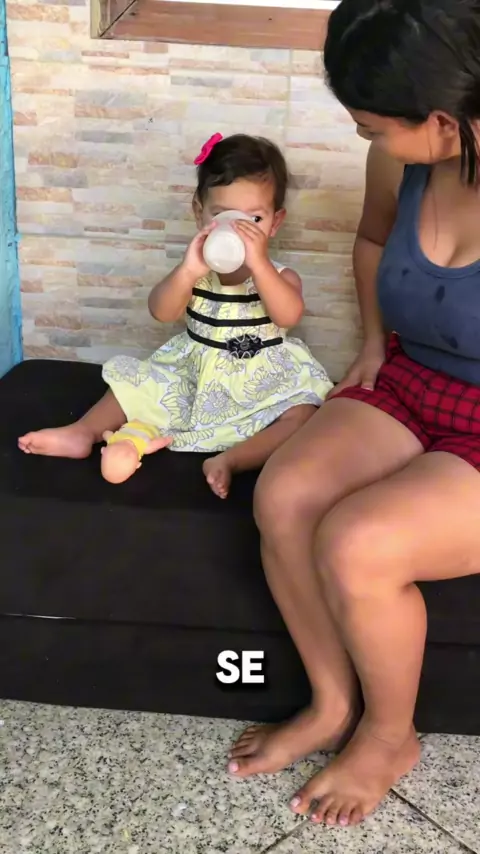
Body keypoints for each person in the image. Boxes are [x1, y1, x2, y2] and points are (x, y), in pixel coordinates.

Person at [228, 0, 480, 827]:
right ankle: (332, 705)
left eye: (373, 126)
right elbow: (373, 241)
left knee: (358, 541)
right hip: (414, 380)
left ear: (442, 120)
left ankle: (388, 735)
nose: (362, 137)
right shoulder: (400, 165)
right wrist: (373, 341)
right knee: (285, 495)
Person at [18, 134, 332, 496]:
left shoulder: (279, 276)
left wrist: (259, 264)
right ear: (200, 213)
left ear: (275, 223)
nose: (238, 231)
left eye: (254, 219)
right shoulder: (195, 272)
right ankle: (83, 432)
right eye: (223, 216)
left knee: (304, 414)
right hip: (195, 374)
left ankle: (232, 459)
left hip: (261, 379)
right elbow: (161, 311)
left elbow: (288, 315)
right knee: (132, 385)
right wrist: (187, 272)